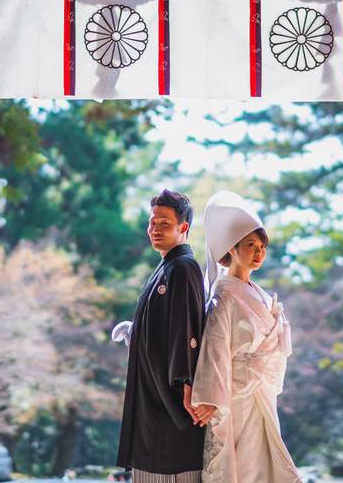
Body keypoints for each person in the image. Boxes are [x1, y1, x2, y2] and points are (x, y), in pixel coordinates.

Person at [190, 191, 302, 483]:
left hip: (260, 393)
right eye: (250, 244)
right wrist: (210, 399)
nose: (258, 251)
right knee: (245, 467)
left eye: (262, 245)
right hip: (236, 396)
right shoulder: (224, 295)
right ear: (232, 248)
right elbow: (214, 349)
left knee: (266, 465)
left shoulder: (260, 294)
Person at [115, 189, 207, 483]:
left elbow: (186, 329)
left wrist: (186, 384)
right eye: (152, 222)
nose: (155, 229)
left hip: (171, 404)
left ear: (183, 228)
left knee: (169, 468)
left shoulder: (183, 267)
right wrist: (135, 331)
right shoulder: (167, 266)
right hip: (153, 397)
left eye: (164, 223)